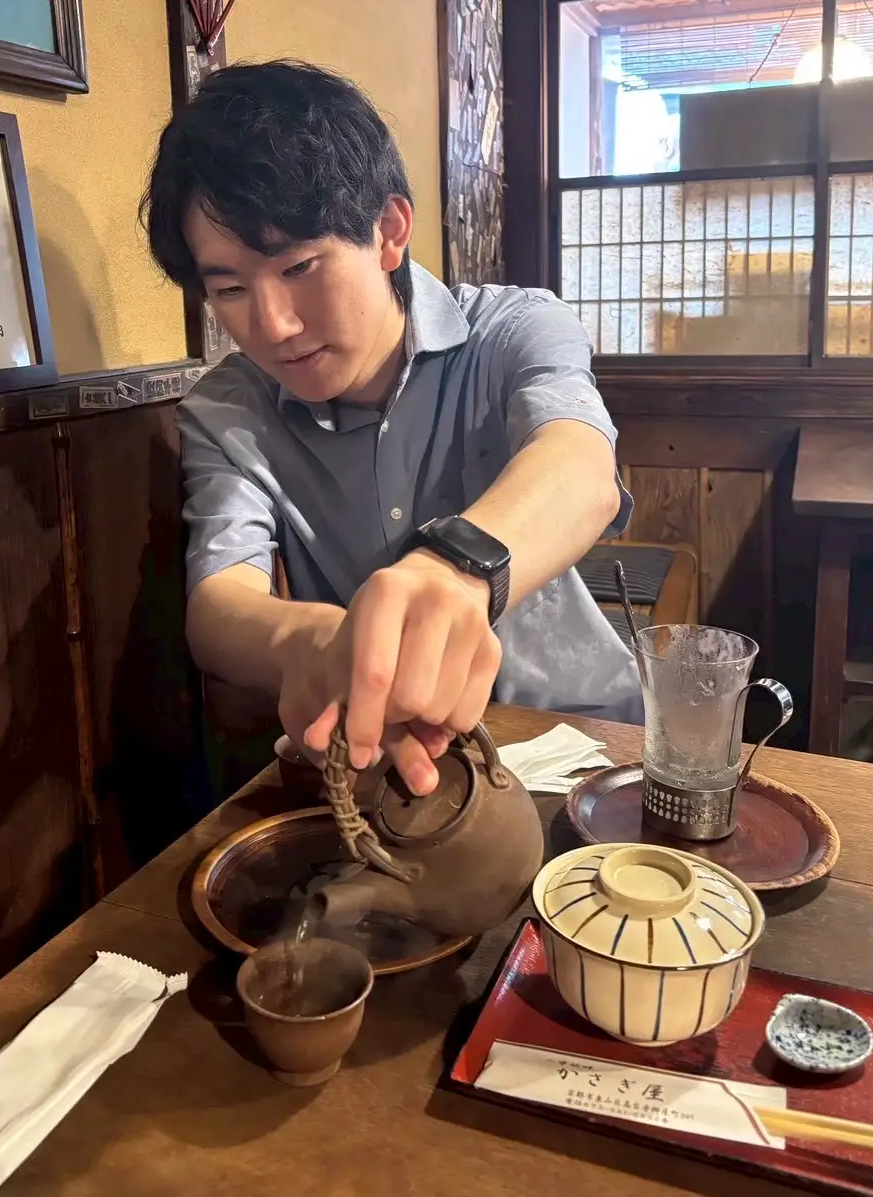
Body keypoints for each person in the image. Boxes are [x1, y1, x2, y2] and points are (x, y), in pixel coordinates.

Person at [142, 60, 641, 798]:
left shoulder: (511, 329)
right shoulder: (229, 410)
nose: (273, 325)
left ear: (388, 230)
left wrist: (454, 568)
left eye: (301, 266)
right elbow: (218, 604)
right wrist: (311, 640)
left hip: (579, 738)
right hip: (395, 765)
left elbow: (580, 466)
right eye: (231, 290)